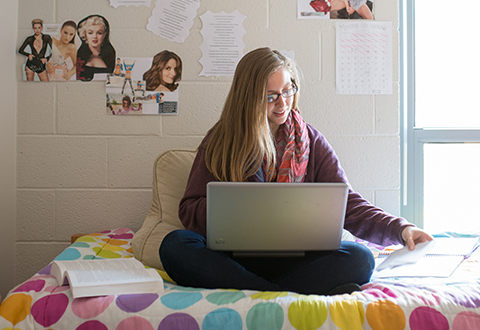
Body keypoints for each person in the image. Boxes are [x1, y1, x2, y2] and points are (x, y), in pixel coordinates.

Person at [159, 48, 432, 295]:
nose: (283, 104)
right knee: (174, 246)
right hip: (232, 256)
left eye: (288, 91)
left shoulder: (310, 140)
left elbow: (346, 203)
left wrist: (401, 229)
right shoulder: (221, 139)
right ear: (248, 97)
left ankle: (256, 290)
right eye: (270, 96)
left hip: (297, 258)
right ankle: (277, 292)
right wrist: (238, 208)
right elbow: (189, 209)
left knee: (361, 258)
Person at [76, 15, 116, 81]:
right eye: (90, 33)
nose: (95, 36)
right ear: (85, 35)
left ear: (104, 35)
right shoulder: (79, 56)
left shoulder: (110, 56)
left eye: (99, 33)